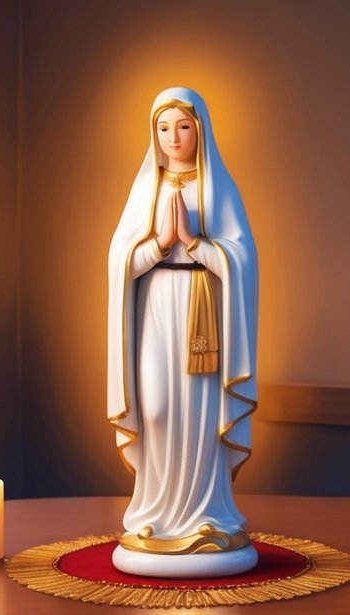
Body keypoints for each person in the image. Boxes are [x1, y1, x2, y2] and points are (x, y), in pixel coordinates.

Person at [107, 87, 257, 571]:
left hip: (203, 309)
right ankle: (152, 513)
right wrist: (158, 245)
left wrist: (194, 243)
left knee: (201, 410)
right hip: (155, 308)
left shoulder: (219, 187)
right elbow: (119, 262)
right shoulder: (145, 187)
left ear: (201, 129)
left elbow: (243, 259)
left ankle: (207, 515)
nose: (173, 136)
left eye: (183, 126)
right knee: (156, 408)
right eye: (163, 127)